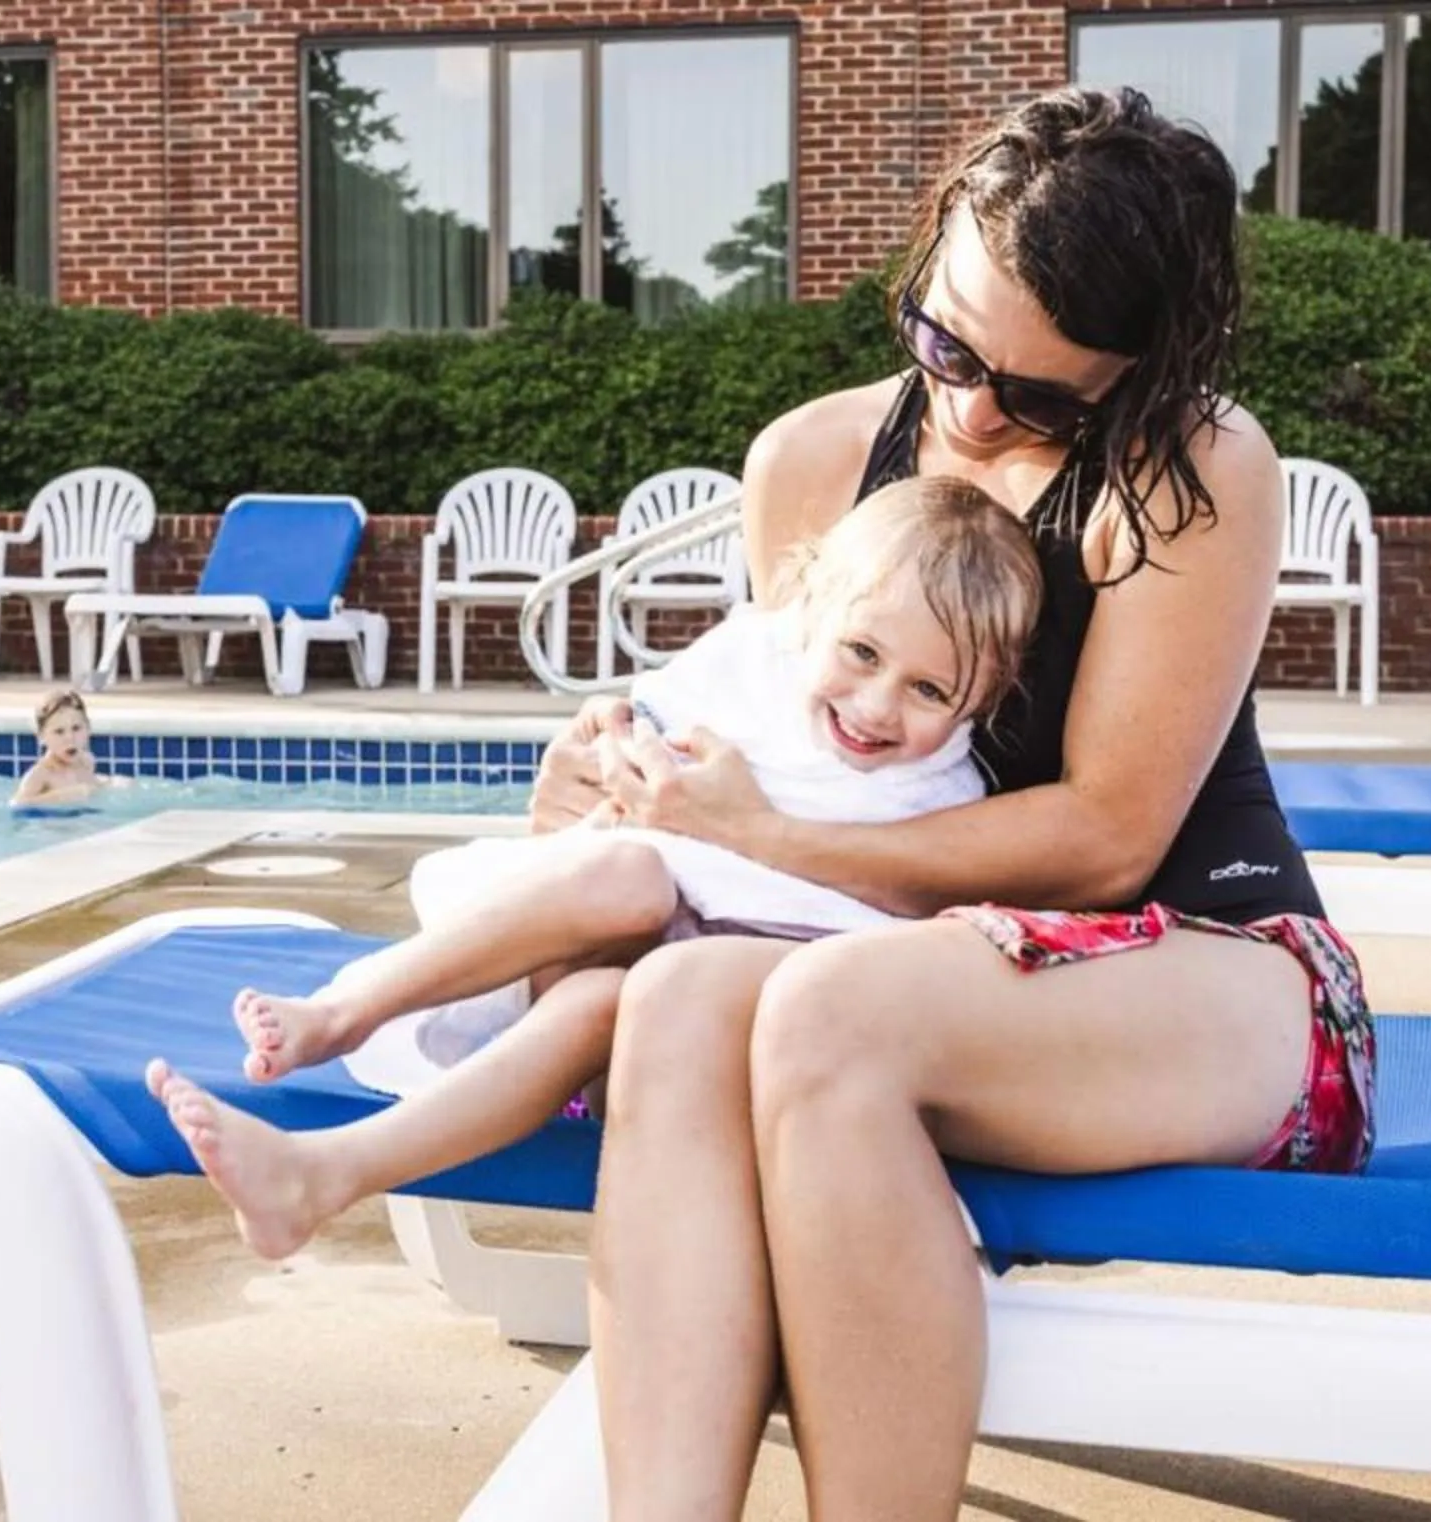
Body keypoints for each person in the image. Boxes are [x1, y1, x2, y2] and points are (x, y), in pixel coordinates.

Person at [530, 86, 1379, 1517]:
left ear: (1142, 363)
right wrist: (626, 789)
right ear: (921, 267)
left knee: (824, 1012)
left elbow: (1112, 837)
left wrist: (761, 833)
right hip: (902, 970)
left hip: (1218, 973)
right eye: (946, 344)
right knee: (676, 1007)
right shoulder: (809, 461)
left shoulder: (1192, 469)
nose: (976, 410)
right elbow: (787, 748)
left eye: (1042, 395)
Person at [141, 474, 1043, 1261]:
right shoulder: (754, 666)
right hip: (605, 938)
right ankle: (343, 1012)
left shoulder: (942, 797)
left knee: (611, 1003)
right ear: (813, 610)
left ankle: (322, 1174)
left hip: (698, 1037)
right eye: (863, 654)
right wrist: (607, 744)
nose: (878, 706)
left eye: (930, 690)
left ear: (986, 696)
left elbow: (907, 943)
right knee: (631, 880)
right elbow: (627, 723)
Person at [8, 689, 105, 810]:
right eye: (59, 732)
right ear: (42, 737)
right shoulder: (40, 774)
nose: (70, 738)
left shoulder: (87, 761)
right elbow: (17, 804)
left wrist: (108, 783)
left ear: (88, 728)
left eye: (76, 728)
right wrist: (60, 796)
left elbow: (92, 787)